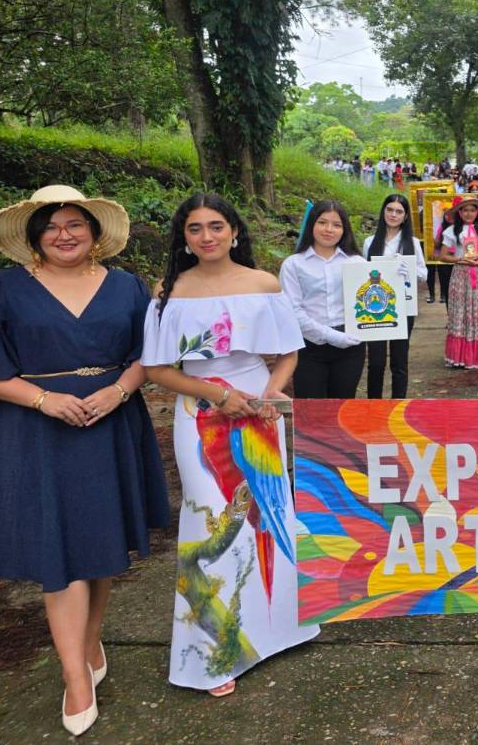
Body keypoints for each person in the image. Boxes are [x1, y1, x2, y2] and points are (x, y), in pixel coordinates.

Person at [0, 185, 169, 736]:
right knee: (59, 553)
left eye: (75, 224)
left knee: (101, 546)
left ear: (94, 233)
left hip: (111, 421)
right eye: (51, 225)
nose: (63, 234)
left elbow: (152, 353)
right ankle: (75, 675)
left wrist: (118, 392)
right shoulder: (4, 288)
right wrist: (46, 400)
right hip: (37, 431)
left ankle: (91, 643)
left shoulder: (126, 286)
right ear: (33, 235)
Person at [142, 193, 318, 696]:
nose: (207, 236)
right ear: (184, 237)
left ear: (234, 231)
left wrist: (270, 392)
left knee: (268, 511)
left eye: (216, 226)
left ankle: (281, 627)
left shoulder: (263, 284)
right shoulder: (168, 291)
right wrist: (217, 394)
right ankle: (213, 654)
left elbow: (287, 353)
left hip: (259, 412)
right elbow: (156, 370)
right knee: (212, 518)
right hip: (199, 413)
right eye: (195, 228)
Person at [279, 200, 365, 399]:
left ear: (344, 230)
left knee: (342, 406)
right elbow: (293, 311)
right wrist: (332, 336)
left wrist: (398, 275)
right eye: (322, 222)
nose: (329, 229)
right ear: (311, 225)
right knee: (311, 409)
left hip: (350, 345)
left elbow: (373, 298)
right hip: (308, 346)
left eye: (337, 225)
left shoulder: (357, 263)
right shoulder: (293, 264)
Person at [362, 194, 429, 398]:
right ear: (383, 212)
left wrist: (408, 269)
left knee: (399, 360)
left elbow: (424, 274)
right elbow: (362, 274)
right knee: (376, 361)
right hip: (376, 307)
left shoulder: (413, 243)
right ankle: (374, 405)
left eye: (399, 211)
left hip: (403, 308)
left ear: (406, 216)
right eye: (390, 210)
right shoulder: (370, 242)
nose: (393, 214)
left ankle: (398, 403)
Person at [439, 194, 478, 368]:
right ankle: (460, 357)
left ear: (477, 212)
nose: (468, 213)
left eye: (472, 210)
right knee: (461, 312)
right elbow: (443, 256)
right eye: (465, 210)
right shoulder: (452, 231)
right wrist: (460, 260)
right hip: (460, 275)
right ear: (459, 212)